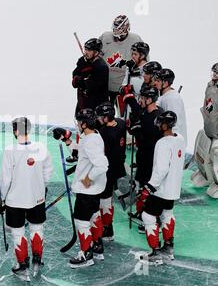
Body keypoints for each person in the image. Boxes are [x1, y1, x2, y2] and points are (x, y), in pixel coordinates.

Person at [0, 117, 53, 281]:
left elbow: (5, 179)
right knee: (37, 228)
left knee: (17, 232)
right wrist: (42, 187)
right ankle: (37, 259)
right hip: (37, 198)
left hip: (15, 200)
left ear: (15, 131)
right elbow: (48, 171)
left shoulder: (9, 150)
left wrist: (0, 198)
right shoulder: (41, 148)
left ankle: (22, 265)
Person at [140, 111, 185, 265]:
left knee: (148, 216)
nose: (158, 125)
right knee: (167, 214)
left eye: (160, 123)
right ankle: (168, 248)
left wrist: (149, 187)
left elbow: (161, 169)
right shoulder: (180, 139)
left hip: (161, 189)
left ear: (166, 125)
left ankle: (155, 253)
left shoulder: (163, 143)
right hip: (173, 189)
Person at [65, 109, 108, 268]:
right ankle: (97, 247)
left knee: (81, 221)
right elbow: (82, 153)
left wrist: (87, 180)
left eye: (79, 122)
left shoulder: (90, 140)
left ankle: (86, 254)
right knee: (94, 215)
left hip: (87, 190)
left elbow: (102, 165)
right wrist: (67, 140)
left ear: (84, 123)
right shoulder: (94, 135)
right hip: (94, 190)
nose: (77, 124)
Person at [122, 87, 164, 232]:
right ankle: (143, 213)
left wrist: (137, 131)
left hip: (151, 159)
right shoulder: (147, 112)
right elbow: (139, 114)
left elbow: (150, 140)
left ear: (150, 100)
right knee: (142, 184)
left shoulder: (157, 117)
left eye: (143, 98)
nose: (140, 100)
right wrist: (130, 98)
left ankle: (152, 219)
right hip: (144, 157)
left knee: (149, 187)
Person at [95, 102, 126, 241]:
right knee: (108, 198)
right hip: (118, 167)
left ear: (107, 117)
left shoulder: (104, 132)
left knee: (104, 200)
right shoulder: (120, 123)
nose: (99, 119)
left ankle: (107, 229)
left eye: (101, 117)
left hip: (107, 170)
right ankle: (108, 228)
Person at [99, 15, 144, 105]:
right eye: (114, 28)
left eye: (118, 29)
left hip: (123, 87)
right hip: (105, 85)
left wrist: (135, 68)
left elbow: (143, 62)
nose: (115, 31)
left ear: (126, 28)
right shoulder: (105, 37)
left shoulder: (136, 40)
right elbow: (96, 55)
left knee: (123, 115)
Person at [191, 63, 218, 197]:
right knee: (203, 148)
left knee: (216, 152)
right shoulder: (211, 86)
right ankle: (206, 175)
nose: (214, 76)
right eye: (214, 73)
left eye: (217, 73)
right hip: (210, 127)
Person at [72, 38, 109, 113]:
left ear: (96, 52)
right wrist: (82, 69)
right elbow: (75, 79)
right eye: (85, 49)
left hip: (95, 107)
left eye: (89, 50)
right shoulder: (84, 62)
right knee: (79, 121)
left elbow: (89, 87)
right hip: (82, 103)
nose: (86, 52)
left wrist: (83, 77)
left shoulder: (101, 67)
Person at [154, 68, 188, 147]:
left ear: (165, 83)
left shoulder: (172, 99)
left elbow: (175, 125)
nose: (155, 83)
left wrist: (172, 145)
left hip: (173, 146)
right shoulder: (165, 95)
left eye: (158, 81)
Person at [118, 42, 150, 117]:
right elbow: (123, 85)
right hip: (129, 106)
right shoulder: (130, 67)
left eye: (135, 54)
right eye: (132, 54)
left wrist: (132, 90)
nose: (132, 56)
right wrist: (123, 90)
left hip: (142, 106)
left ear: (142, 56)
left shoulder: (149, 69)